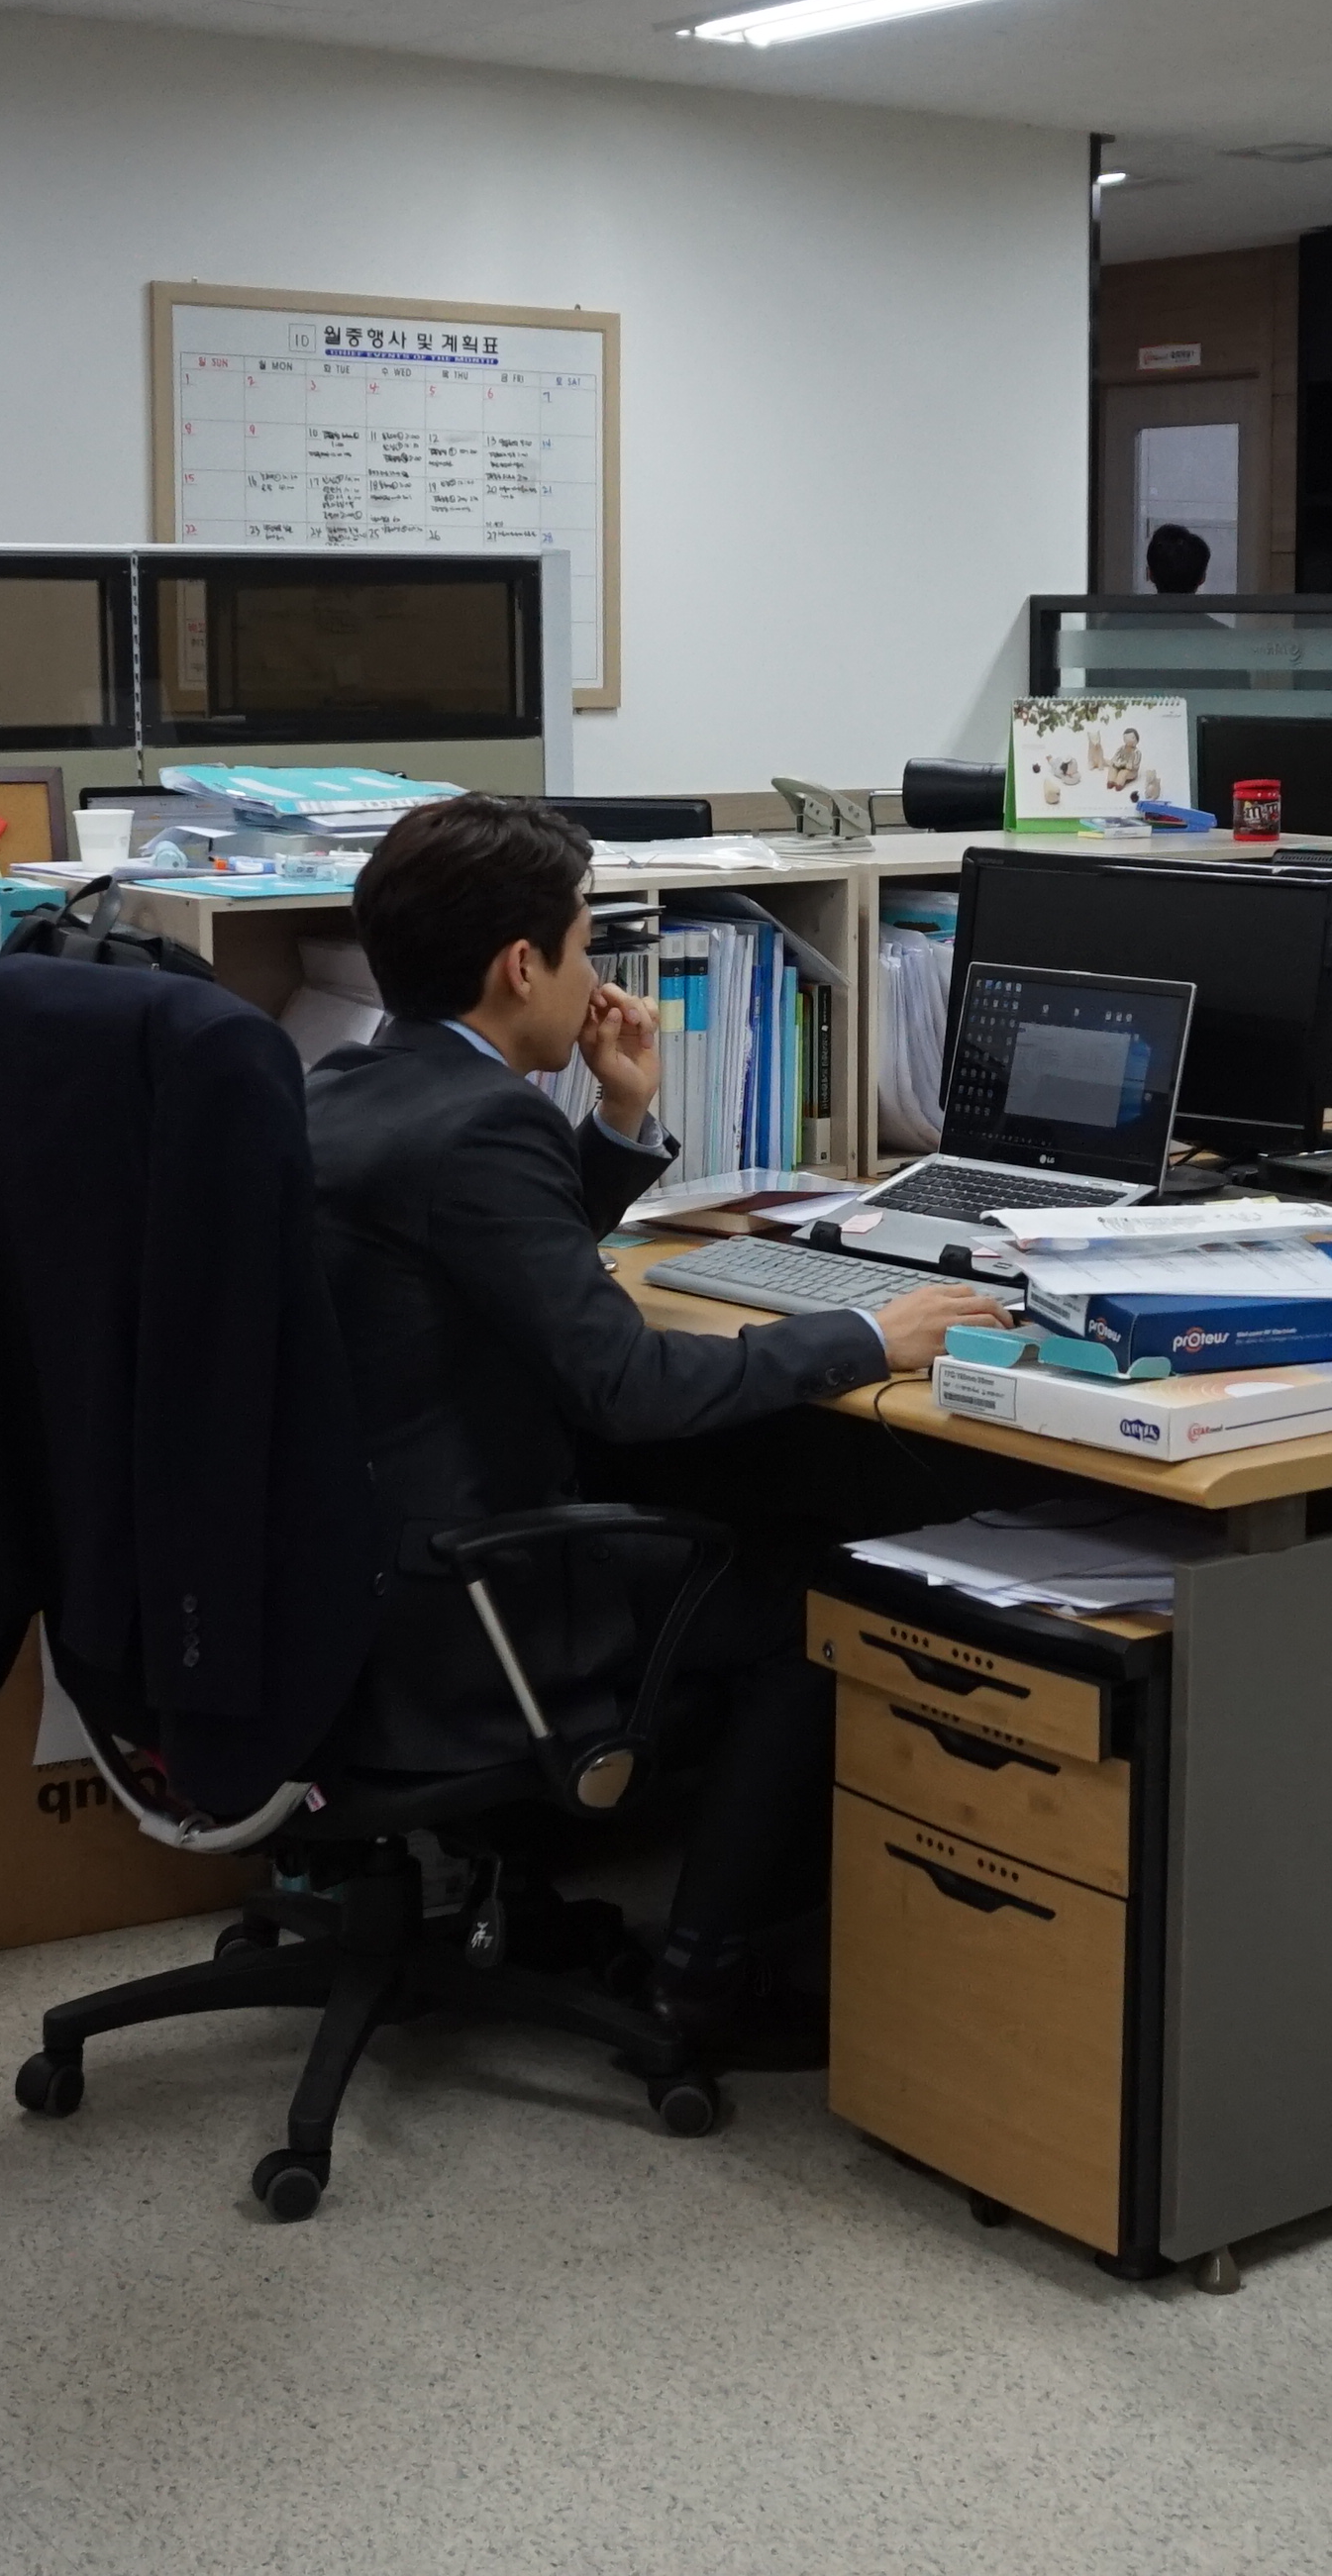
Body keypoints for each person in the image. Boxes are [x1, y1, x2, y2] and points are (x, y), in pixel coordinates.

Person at [305, 796, 983, 2039]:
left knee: (743, 1495)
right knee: (816, 1588)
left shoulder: (347, 1084)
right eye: (582, 944)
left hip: (348, 1576)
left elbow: (496, 1258)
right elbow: (625, 1384)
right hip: (462, 1608)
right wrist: (863, 1335)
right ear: (522, 966)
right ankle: (705, 1975)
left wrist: (617, 1118)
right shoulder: (484, 1123)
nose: (591, 977)